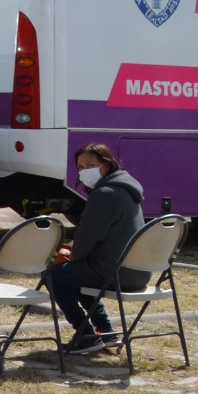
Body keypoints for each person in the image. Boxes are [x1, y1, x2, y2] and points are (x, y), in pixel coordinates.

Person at [48, 143, 145, 356]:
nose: (84, 171)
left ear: (107, 164)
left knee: (53, 275)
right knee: (77, 273)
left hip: (115, 274)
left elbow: (86, 239)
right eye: (81, 167)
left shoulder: (105, 194)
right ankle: (106, 331)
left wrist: (71, 254)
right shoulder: (128, 190)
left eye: (91, 165)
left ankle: (85, 334)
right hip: (138, 273)